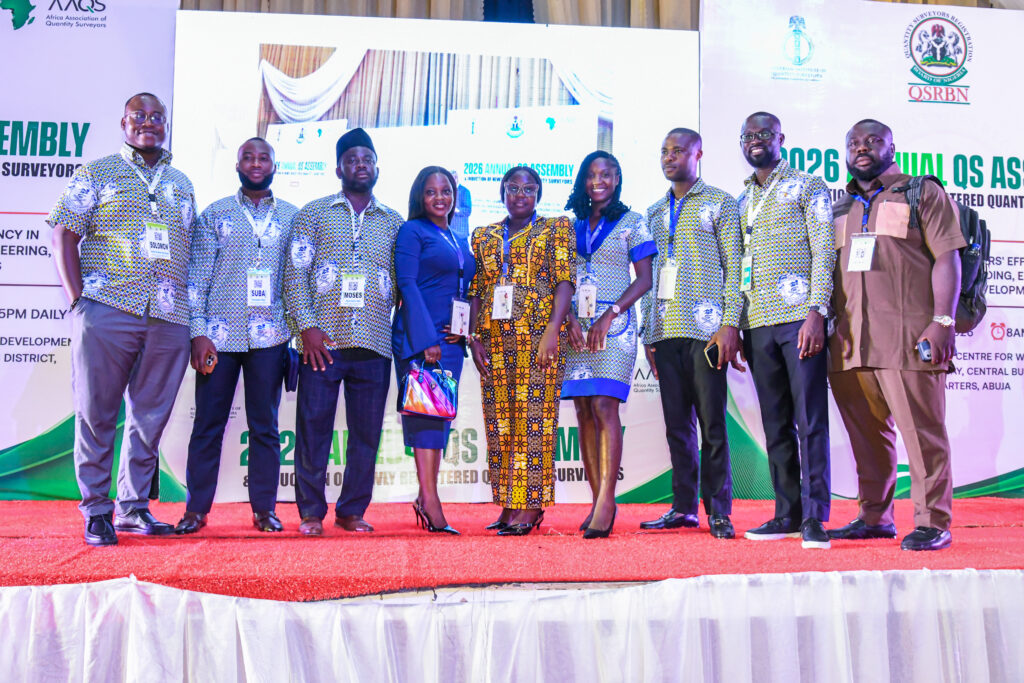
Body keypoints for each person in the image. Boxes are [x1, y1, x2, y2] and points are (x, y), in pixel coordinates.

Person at [49, 92, 196, 546]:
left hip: (168, 315)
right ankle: (97, 510)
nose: (148, 123)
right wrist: (79, 303)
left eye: (157, 117)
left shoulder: (182, 182)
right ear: (124, 123)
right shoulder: (96, 172)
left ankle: (133, 508)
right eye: (139, 116)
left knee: (150, 418)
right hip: (107, 307)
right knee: (96, 413)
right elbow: (63, 234)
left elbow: (189, 251)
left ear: (166, 124)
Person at [827, 120, 963, 551]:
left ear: (891, 147)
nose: (861, 148)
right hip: (849, 344)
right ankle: (874, 517)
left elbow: (948, 258)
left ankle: (932, 521)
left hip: (909, 339)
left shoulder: (921, 193)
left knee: (923, 436)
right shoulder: (838, 207)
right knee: (867, 439)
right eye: (853, 143)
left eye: (872, 141)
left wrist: (942, 322)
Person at [283, 128, 403, 536]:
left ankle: (352, 510)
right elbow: (294, 275)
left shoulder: (394, 222)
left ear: (377, 168)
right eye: (352, 159)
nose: (360, 165)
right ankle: (310, 513)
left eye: (367, 159)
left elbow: (403, 282)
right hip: (323, 343)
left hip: (373, 341)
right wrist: (307, 329)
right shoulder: (313, 214)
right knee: (312, 428)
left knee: (366, 434)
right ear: (338, 169)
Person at [175, 138, 298, 535]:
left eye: (264, 158)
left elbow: (295, 281)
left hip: (271, 337)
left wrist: (295, 334)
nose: (256, 163)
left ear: (275, 166)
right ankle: (196, 510)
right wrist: (198, 334)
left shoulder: (292, 217)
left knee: (266, 426)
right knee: (208, 425)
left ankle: (265, 510)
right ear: (237, 165)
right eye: (248, 157)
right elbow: (196, 279)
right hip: (218, 338)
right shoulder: (215, 214)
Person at [638, 128, 743, 540]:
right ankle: (683, 508)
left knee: (712, 424)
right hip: (665, 332)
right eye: (664, 151)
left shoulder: (721, 203)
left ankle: (719, 511)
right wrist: (648, 333)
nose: (669, 157)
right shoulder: (653, 212)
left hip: (707, 331)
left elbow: (736, 267)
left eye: (678, 150)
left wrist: (730, 324)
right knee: (677, 426)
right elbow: (648, 277)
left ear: (698, 155)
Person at [737, 112, 836, 549]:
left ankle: (815, 517)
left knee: (810, 420)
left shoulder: (808, 185)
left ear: (782, 139)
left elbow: (824, 251)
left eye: (765, 134)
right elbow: (740, 266)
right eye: (748, 135)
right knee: (776, 423)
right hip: (757, 322)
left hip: (800, 319)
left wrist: (817, 312)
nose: (756, 141)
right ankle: (787, 513)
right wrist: (739, 324)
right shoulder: (742, 199)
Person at [467, 166, 575, 536]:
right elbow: (477, 289)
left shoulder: (555, 228)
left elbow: (565, 281)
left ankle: (532, 504)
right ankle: (509, 502)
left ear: (539, 194)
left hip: (539, 338)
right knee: (500, 422)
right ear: (502, 192)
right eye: (513, 188)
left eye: (529, 188)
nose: (520, 195)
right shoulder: (483, 235)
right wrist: (473, 338)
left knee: (535, 420)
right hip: (494, 340)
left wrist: (553, 330)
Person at [561, 151, 655, 539]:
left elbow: (645, 279)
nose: (598, 181)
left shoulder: (633, 222)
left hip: (613, 327)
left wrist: (612, 312)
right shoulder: (569, 226)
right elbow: (561, 280)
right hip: (576, 328)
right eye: (591, 174)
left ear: (617, 179)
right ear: (582, 181)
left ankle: (607, 502)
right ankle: (597, 498)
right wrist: (567, 318)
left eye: (606, 174)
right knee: (583, 409)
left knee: (603, 405)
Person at [391, 166, 476, 535]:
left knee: (439, 419)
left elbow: (463, 288)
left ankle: (426, 496)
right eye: (431, 191)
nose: (440, 197)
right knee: (426, 420)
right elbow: (407, 285)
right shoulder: (413, 231)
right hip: (421, 339)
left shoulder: (455, 236)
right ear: (419, 197)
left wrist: (463, 331)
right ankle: (430, 501)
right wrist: (427, 340)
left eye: (446, 191)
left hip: (450, 343)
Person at [449, 168, 473, 246]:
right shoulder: (447, 191)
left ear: (456, 178)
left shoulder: (465, 191)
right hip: (449, 231)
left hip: (460, 232)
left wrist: (455, 210)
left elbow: (467, 211)